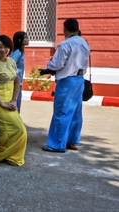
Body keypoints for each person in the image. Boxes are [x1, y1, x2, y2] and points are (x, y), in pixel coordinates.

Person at [40, 18, 90, 153]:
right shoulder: (84, 43)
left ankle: (56, 144)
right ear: (77, 29)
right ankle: (72, 141)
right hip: (79, 80)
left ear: (65, 30)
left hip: (66, 81)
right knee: (75, 112)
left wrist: (48, 67)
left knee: (61, 112)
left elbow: (57, 64)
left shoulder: (64, 45)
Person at [0, 35, 27, 166]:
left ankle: (8, 155)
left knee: (8, 130)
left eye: (6, 47)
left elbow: (17, 83)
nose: (3, 49)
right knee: (19, 129)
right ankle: (3, 154)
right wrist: (2, 103)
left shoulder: (11, 62)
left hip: (11, 100)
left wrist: (15, 100)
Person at [10, 31, 29, 112]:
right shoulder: (18, 52)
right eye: (25, 38)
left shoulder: (20, 51)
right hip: (16, 83)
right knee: (16, 105)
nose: (28, 39)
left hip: (18, 82)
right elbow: (10, 64)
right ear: (19, 40)